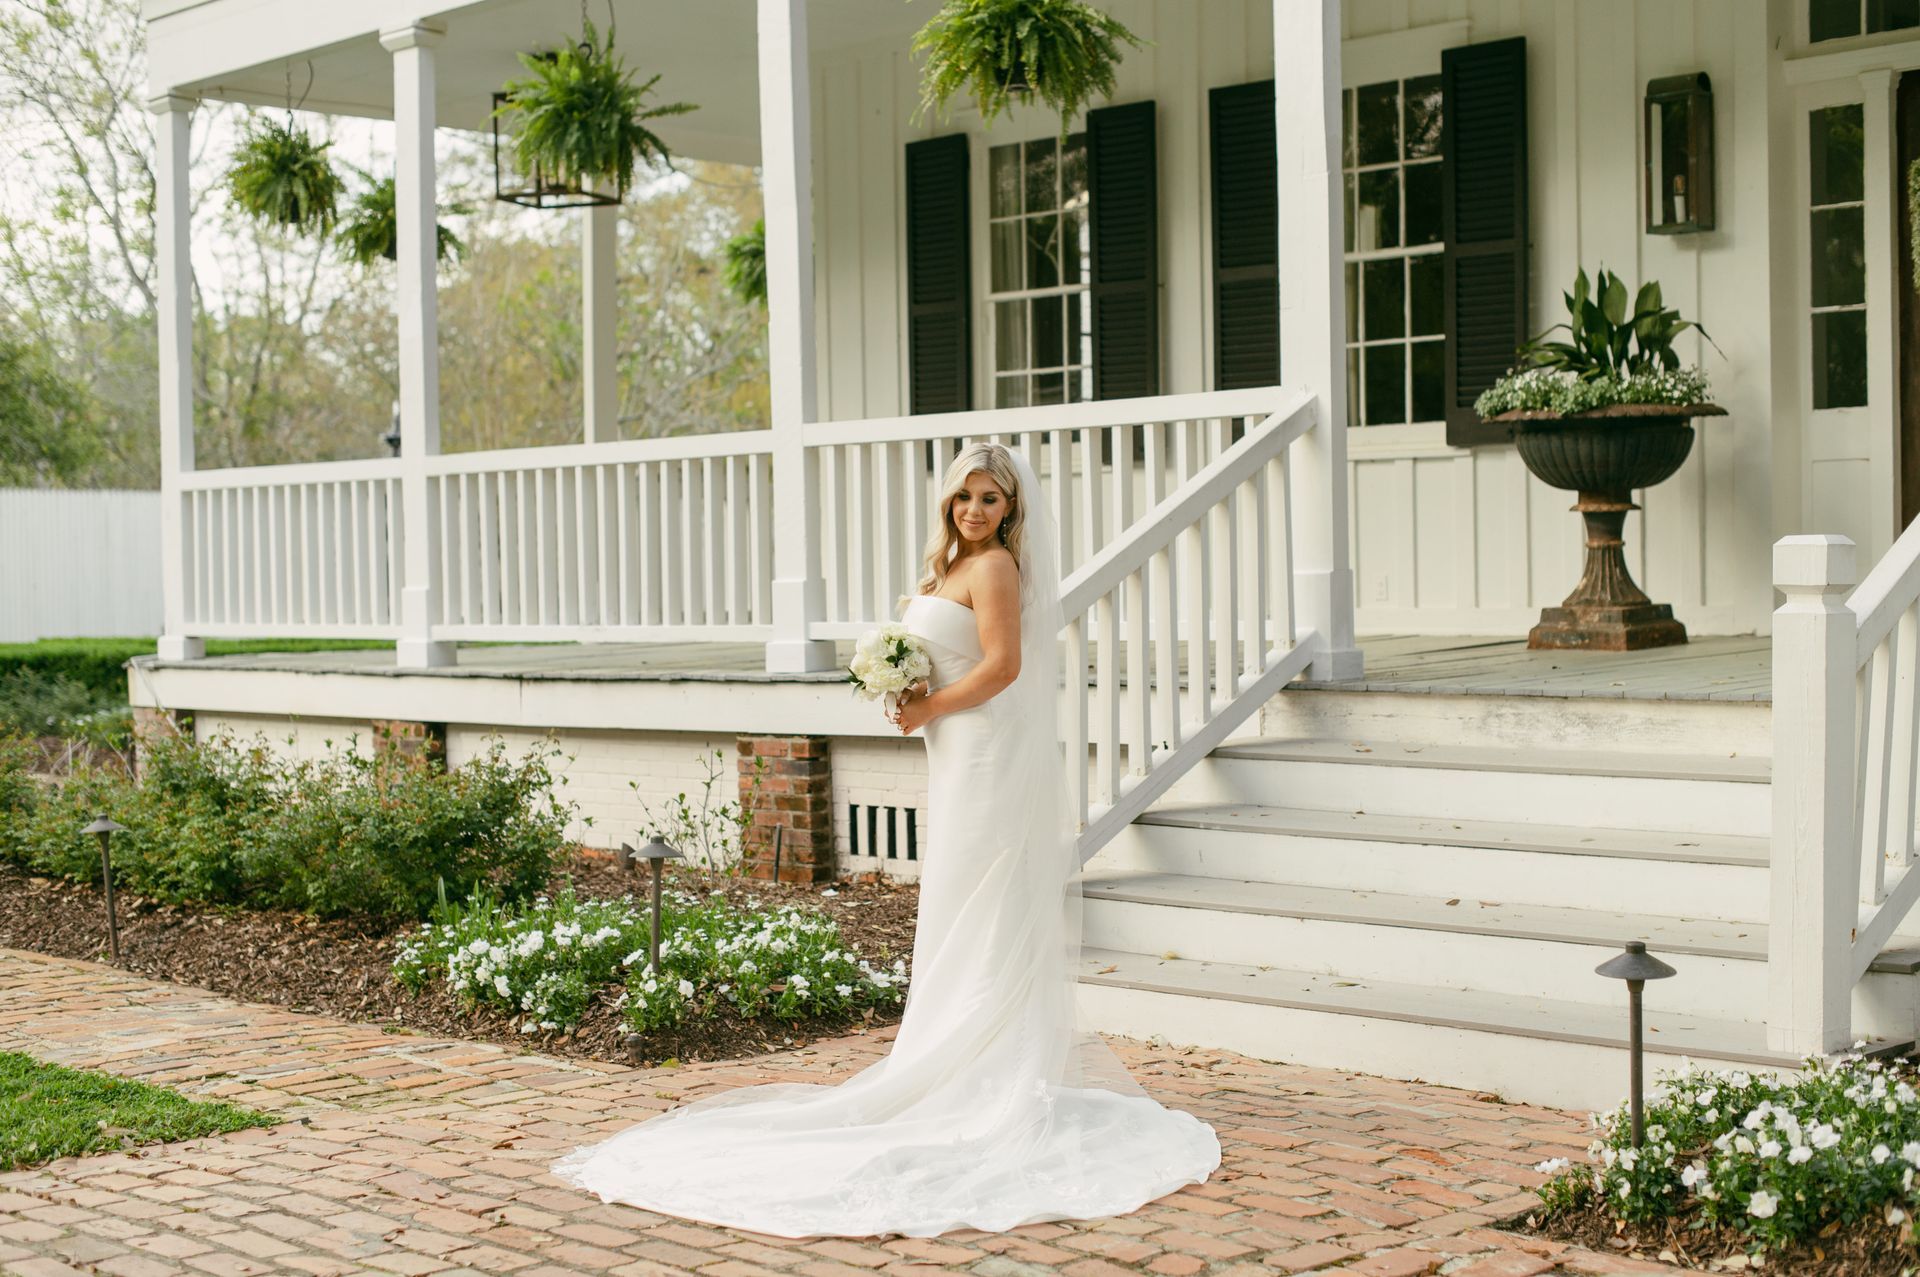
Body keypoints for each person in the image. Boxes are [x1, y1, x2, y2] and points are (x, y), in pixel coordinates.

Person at [550, 441, 1221, 1238]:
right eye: (965, 496)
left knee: (987, 899)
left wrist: (930, 708)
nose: (975, 509)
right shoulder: (944, 567)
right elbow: (950, 656)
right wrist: (902, 687)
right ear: (949, 502)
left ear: (1011, 509)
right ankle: (945, 1054)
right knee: (954, 899)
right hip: (954, 750)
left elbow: (1004, 666)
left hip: (985, 750)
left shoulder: (996, 569)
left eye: (991, 498)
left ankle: (989, 1069)